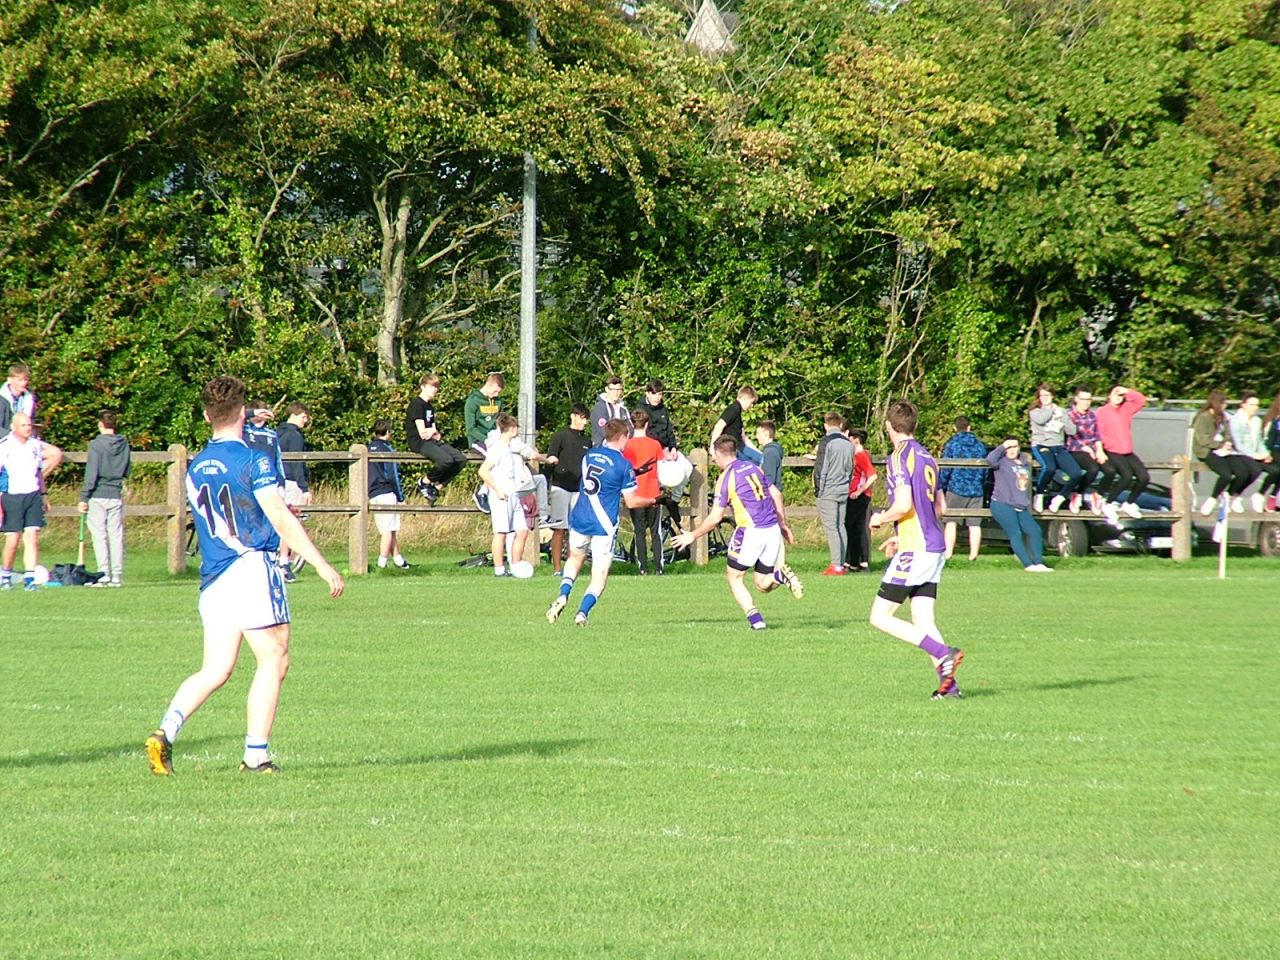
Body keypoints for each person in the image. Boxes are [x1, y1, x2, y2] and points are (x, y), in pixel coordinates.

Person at [144, 375, 344, 776]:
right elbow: (280, 518)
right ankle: (256, 755)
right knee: (275, 657)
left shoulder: (196, 466)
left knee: (216, 669)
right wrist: (322, 564)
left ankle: (166, 731)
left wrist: (241, 412)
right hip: (251, 566)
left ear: (205, 416)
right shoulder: (255, 460)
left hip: (214, 576)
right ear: (243, 413)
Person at [867, 399, 965, 699]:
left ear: (888, 427)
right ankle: (950, 689)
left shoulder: (898, 457)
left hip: (917, 549)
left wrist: (880, 519)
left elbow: (903, 505)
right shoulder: (928, 457)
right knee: (923, 620)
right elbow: (940, 507)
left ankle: (944, 652)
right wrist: (901, 535)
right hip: (933, 547)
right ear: (914, 425)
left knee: (880, 617)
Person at [672, 435, 803, 629]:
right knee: (762, 584)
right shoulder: (754, 468)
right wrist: (782, 524)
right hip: (772, 529)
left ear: (718, 453)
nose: (713, 459)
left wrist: (692, 535)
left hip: (751, 532)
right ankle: (780, 576)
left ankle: (757, 623)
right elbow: (776, 493)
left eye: (713, 455)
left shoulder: (726, 478)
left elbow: (715, 517)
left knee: (734, 577)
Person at [546, 419, 655, 627]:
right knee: (599, 575)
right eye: (627, 439)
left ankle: (563, 594)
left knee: (575, 558)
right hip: (603, 525)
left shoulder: (590, 455)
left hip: (579, 517)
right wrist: (653, 499)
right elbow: (632, 501)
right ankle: (582, 613)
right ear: (622, 438)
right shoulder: (623, 465)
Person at [0, 411, 63, 590]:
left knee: (32, 538)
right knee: (12, 542)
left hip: (32, 495)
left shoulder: (35, 445)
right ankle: (6, 574)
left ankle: (29, 579)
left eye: (29, 425)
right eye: (24, 425)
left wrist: (43, 495)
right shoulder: (4, 446)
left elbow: (38, 472)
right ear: (14, 427)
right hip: (12, 497)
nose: (28, 428)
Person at [77, 409, 132, 587]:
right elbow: (127, 469)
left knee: (99, 535)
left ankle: (104, 573)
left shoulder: (96, 444)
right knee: (116, 535)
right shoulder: (124, 443)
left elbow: (92, 472)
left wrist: (84, 497)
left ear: (101, 424)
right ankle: (117, 575)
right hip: (115, 493)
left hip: (98, 494)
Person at [478, 414, 535, 577]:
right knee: (501, 533)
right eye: (516, 427)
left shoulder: (509, 448)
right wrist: (497, 490)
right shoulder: (497, 448)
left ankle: (516, 566)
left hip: (513, 494)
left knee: (522, 531)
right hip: (501, 496)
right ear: (511, 429)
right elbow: (483, 471)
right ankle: (499, 569)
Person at [986, 438, 1053, 572]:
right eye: (1008, 447)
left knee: (1034, 531)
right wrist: (1002, 446)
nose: (1011, 450)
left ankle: (1039, 562)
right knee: (1015, 533)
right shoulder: (1001, 462)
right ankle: (1028, 565)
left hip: (1020, 505)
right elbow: (990, 459)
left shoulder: (1024, 462)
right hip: (1002, 503)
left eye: (1014, 446)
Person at [545, 403, 592, 576]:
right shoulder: (560, 436)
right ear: (573, 416)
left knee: (577, 530)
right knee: (559, 528)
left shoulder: (587, 441)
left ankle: (572, 567)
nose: (584, 422)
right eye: (581, 418)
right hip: (560, 487)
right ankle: (557, 568)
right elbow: (551, 458)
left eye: (586, 419)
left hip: (579, 489)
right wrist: (546, 485)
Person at [405, 373, 467, 505]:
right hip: (419, 443)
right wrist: (432, 431)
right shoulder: (417, 404)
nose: (435, 390)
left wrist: (433, 431)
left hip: (432, 441)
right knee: (446, 460)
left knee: (461, 459)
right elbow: (423, 433)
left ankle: (436, 488)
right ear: (423, 387)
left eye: (436, 387)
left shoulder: (430, 407)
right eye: (432, 387)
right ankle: (424, 482)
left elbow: (436, 434)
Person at [1192, 390, 1253, 516]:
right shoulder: (1203, 417)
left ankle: (1230, 495)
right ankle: (1212, 499)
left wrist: (1228, 442)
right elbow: (1203, 440)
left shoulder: (1223, 417)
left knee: (1243, 472)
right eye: (1223, 403)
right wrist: (1219, 445)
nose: (1225, 406)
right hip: (1207, 450)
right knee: (1225, 474)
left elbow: (1227, 433)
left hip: (1222, 449)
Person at [1028, 383, 1084, 513]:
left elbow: (1072, 430)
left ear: (1052, 396)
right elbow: (1041, 420)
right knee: (1049, 468)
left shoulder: (1061, 411)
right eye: (1042, 395)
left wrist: (1063, 417)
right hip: (1041, 444)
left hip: (1058, 446)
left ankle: (1061, 497)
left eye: (1047, 395)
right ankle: (1039, 494)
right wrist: (1051, 409)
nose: (1045, 398)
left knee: (1076, 473)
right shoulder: (1035, 411)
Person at [1095, 384, 1148, 519]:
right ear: (1109, 396)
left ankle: (1129, 503)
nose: (1118, 398)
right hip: (1112, 450)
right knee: (1126, 476)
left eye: (1120, 396)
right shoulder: (1102, 411)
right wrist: (1110, 445)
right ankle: (1108, 503)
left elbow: (1141, 400)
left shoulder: (1126, 409)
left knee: (1144, 477)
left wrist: (1127, 391)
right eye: (1115, 394)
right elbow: (1100, 433)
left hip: (1127, 451)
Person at [938, 416, 986, 561]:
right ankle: (973, 555)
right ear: (969, 427)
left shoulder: (952, 444)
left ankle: (949, 553)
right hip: (976, 488)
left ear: (955, 428)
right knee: (975, 524)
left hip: (956, 487)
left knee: (951, 522)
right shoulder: (979, 445)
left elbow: (946, 468)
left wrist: (942, 485)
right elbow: (985, 469)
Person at [624, 409, 665, 574]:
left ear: (632, 425)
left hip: (636, 494)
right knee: (656, 532)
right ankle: (659, 566)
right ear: (647, 424)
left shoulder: (627, 446)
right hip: (653, 492)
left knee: (639, 532)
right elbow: (661, 470)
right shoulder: (655, 444)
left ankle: (643, 567)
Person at [1065, 386, 1117, 516]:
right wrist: (1085, 448)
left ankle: (1098, 496)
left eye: (1089, 399)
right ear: (1076, 399)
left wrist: (1099, 450)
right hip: (1075, 449)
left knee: (1110, 470)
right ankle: (1078, 493)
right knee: (1093, 468)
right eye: (1083, 399)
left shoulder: (1092, 416)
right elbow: (1070, 438)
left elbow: (1096, 435)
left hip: (1092, 449)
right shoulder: (1069, 415)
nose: (1086, 402)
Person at [813, 412, 853, 575]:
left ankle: (836, 565)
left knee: (831, 527)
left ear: (826, 425)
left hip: (828, 490)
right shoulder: (848, 444)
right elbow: (851, 468)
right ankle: (842, 563)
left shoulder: (826, 442)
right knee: (840, 525)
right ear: (840, 425)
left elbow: (821, 468)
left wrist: (818, 490)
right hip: (843, 489)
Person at [275, 402, 312, 580]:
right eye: (304, 417)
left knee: (283, 521)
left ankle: (284, 558)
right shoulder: (294, 436)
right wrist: (304, 488)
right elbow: (298, 463)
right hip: (291, 482)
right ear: (294, 415)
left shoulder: (276, 433)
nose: (306, 420)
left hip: (278, 482)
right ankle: (285, 562)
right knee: (290, 523)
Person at [369, 418, 411, 569]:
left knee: (389, 528)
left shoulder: (369, 448)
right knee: (388, 530)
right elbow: (392, 474)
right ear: (387, 432)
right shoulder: (387, 449)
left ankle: (399, 560)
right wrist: (400, 497)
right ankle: (381, 563)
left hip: (373, 493)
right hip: (386, 491)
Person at [1228, 391, 1280, 513]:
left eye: (1256, 405)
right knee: (1251, 471)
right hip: (1240, 455)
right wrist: (1256, 455)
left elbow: (1259, 441)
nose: (1255, 408)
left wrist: (1265, 453)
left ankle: (1261, 495)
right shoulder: (1236, 421)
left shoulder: (1257, 421)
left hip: (1256, 454)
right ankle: (1234, 495)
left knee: (1275, 471)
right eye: (1252, 405)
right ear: (1243, 405)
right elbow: (1239, 444)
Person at [464, 372, 505, 512]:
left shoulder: (498, 402)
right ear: (489, 384)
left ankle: (484, 491)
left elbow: (500, 422)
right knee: (494, 459)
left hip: (495, 440)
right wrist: (487, 439)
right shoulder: (473, 400)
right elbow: (470, 428)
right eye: (495, 391)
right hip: (478, 440)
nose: (496, 395)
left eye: (498, 393)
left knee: (504, 458)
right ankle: (482, 493)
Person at [844, 427, 877, 572]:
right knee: (853, 528)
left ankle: (862, 561)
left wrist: (859, 491)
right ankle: (853, 562)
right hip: (853, 496)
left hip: (859, 497)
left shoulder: (861, 455)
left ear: (855, 440)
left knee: (858, 528)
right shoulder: (855, 456)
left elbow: (872, 475)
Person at [710, 386, 758, 458]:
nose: (751, 406)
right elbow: (719, 426)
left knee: (760, 459)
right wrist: (713, 448)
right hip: (733, 450)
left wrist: (758, 452)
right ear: (745, 398)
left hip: (740, 447)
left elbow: (744, 437)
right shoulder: (734, 409)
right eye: (751, 403)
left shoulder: (738, 411)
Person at [633, 379, 678, 454]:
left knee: (686, 464)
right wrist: (660, 450)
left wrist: (673, 447)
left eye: (659, 394)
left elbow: (669, 429)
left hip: (666, 448)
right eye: (654, 394)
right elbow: (646, 433)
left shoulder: (662, 408)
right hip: (650, 449)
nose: (657, 397)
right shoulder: (640, 410)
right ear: (647, 394)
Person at [590, 375, 632, 446]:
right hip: (602, 448)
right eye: (613, 389)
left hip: (622, 447)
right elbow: (604, 431)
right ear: (607, 389)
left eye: (619, 389)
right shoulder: (599, 408)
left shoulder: (623, 409)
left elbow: (630, 428)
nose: (616, 393)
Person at [0, 363, 37, 439]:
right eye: (19, 380)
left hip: (25, 439)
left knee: (53, 450)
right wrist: (15, 438)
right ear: (9, 380)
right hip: (5, 440)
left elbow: (31, 422)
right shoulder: (2, 399)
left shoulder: (30, 399)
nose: (23, 383)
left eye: (25, 379)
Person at [755, 420, 784, 487]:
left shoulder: (770, 452)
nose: (756, 436)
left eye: (758, 433)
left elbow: (769, 478)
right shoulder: (770, 451)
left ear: (766, 434)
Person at [1265, 392, 1280, 511]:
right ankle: (1270, 495)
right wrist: (1268, 452)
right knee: (1277, 470)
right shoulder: (1275, 419)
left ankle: (1274, 495)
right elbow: (1270, 436)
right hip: (1276, 448)